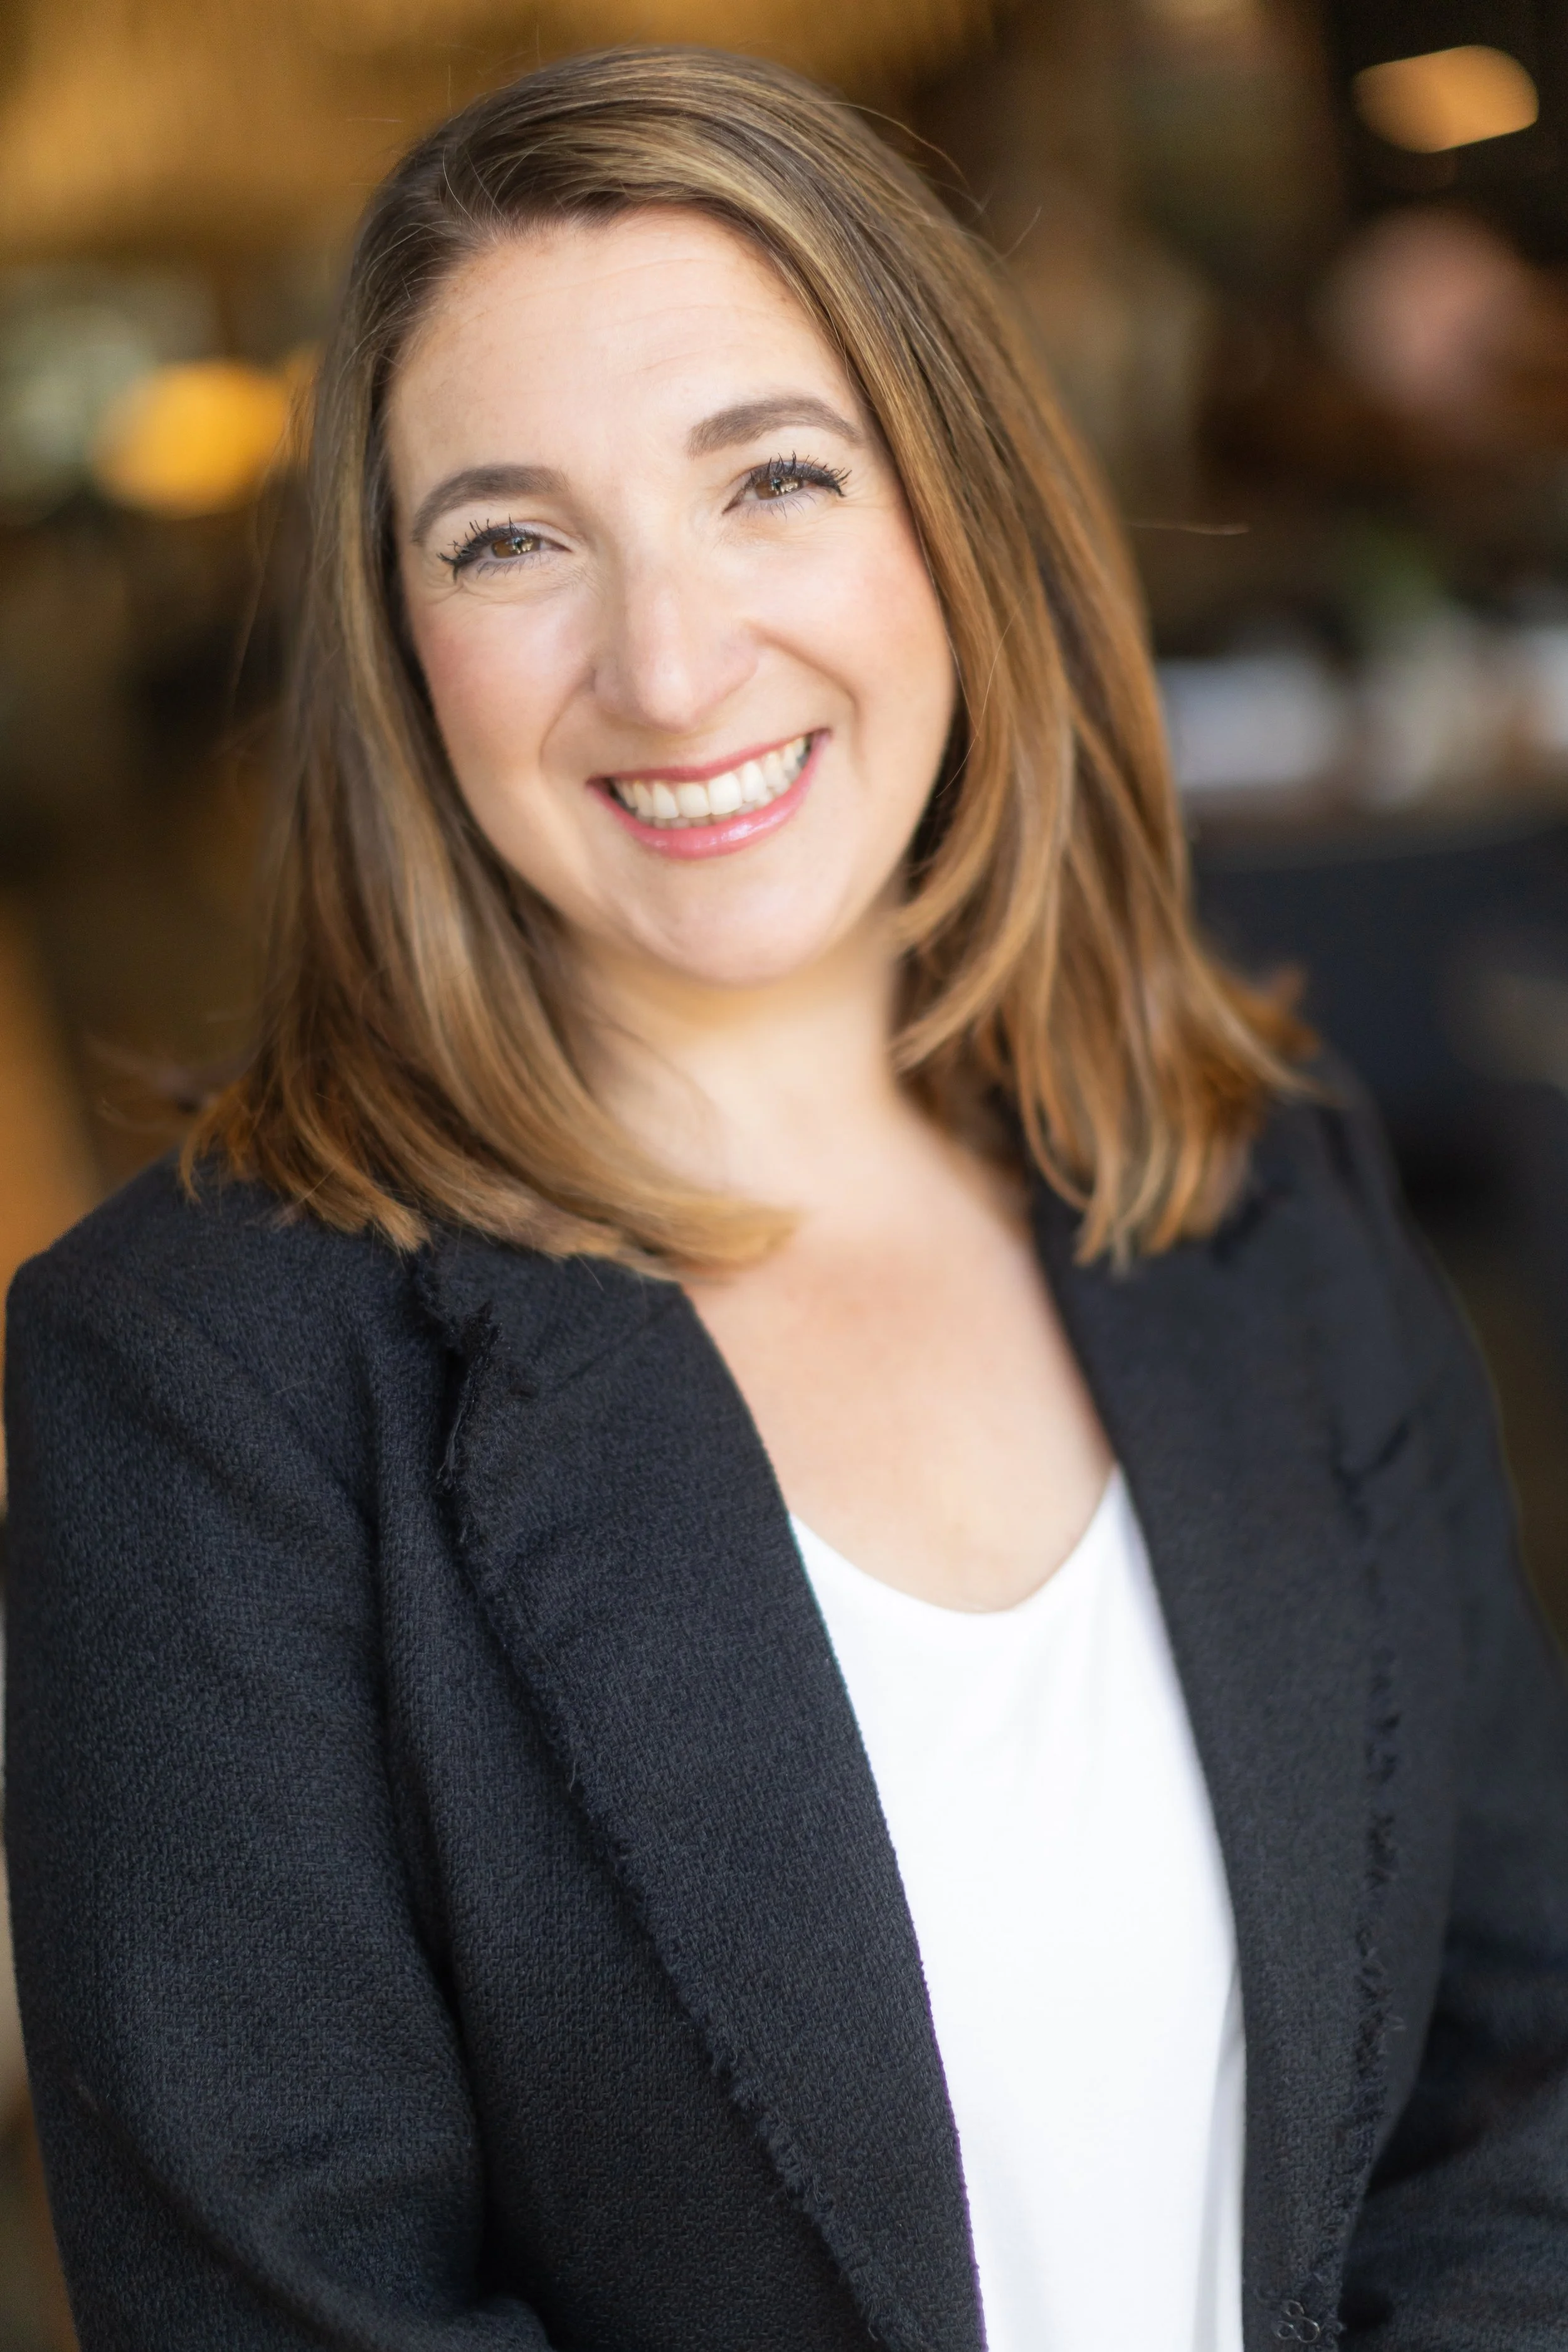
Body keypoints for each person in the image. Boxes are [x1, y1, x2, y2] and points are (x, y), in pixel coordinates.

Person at [6, 46, 1568, 2352]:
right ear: (397, 651)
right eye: (510, 538)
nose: (667, 659)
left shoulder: (1258, 1190)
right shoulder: (200, 1386)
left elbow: (1514, 2079)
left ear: (958, 516)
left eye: (773, 480)